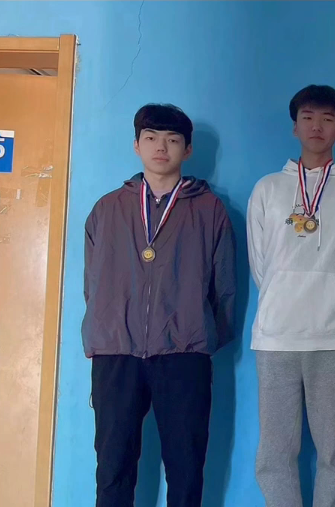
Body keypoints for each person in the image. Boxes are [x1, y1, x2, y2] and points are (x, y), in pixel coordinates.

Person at [82, 103, 236, 507]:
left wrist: (200, 334)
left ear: (188, 149)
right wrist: (105, 328)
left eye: (172, 139)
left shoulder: (209, 209)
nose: (161, 147)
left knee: (186, 468)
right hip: (117, 352)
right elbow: (92, 282)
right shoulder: (108, 208)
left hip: (184, 353)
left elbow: (224, 287)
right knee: (112, 467)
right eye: (151, 138)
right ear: (136, 146)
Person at [247, 84, 335, 507]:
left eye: (327, 119)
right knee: (275, 453)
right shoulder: (267, 189)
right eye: (307, 117)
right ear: (295, 127)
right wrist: (285, 293)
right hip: (277, 337)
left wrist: (333, 298)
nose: (317, 126)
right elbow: (260, 265)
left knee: (334, 454)